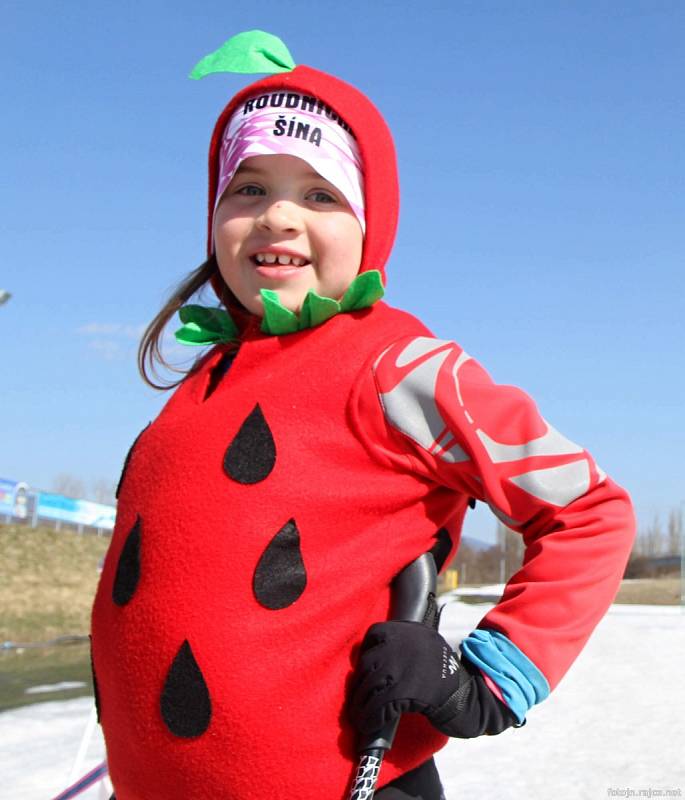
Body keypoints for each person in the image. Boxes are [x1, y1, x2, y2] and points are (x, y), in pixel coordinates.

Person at [90, 31, 636, 800]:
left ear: (371, 222)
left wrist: (490, 676)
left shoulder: (398, 366)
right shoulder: (198, 385)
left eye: (319, 195)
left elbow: (590, 513)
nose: (277, 216)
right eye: (247, 189)